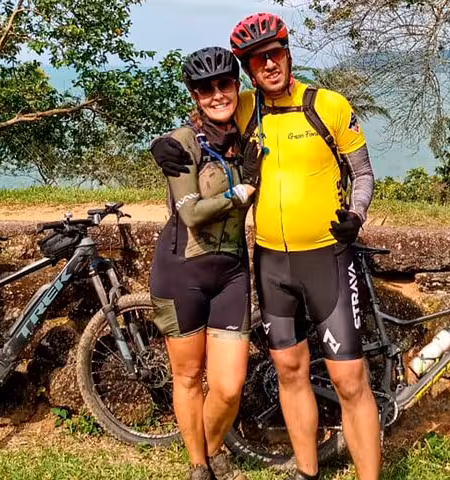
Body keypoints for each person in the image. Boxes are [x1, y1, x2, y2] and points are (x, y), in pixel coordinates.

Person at [152, 13, 381, 480]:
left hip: (327, 257)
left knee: (350, 380)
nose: (269, 64)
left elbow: (363, 172)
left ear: (287, 53)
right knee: (291, 373)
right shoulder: (245, 109)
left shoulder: (328, 105)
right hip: (271, 262)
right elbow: (203, 121)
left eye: (274, 53)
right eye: (257, 60)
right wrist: (166, 146)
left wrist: (355, 215)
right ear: (248, 69)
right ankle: (306, 471)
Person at [149, 46, 260, 480]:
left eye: (224, 83)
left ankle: (210, 451)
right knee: (190, 376)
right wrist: (239, 192)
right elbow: (191, 213)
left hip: (232, 271)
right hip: (182, 271)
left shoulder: (249, 136)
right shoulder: (181, 143)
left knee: (229, 387)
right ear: (194, 94)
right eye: (205, 88)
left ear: (237, 85)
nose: (217, 94)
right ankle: (199, 467)